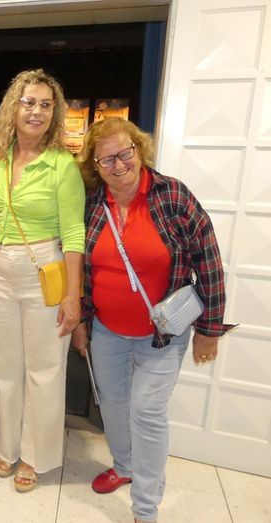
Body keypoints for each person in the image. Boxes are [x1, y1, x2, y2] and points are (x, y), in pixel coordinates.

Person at [71, 117, 234, 523]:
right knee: (112, 404)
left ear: (139, 149)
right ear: (95, 165)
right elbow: (82, 268)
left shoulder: (172, 196)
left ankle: (145, 508)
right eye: (106, 159)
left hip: (163, 334)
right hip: (107, 329)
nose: (118, 164)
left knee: (146, 412)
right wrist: (81, 323)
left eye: (125, 153)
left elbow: (209, 263)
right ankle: (124, 466)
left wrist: (209, 331)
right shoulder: (91, 203)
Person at [0, 69, 85, 492]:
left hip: (43, 266)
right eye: (29, 102)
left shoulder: (62, 165)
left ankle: (34, 454)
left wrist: (73, 296)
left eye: (46, 104)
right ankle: (6, 444)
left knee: (44, 367)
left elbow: (74, 233)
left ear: (55, 113)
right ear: (14, 107)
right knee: (0, 363)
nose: (37, 111)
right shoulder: (0, 157)